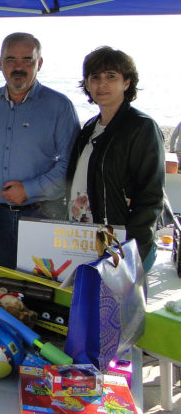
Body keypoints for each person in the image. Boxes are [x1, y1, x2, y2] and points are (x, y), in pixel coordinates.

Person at [0, 33, 80, 269]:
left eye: (27, 59)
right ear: (0, 63)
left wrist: (29, 189)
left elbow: (71, 164)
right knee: (3, 288)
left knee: (41, 290)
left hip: (43, 214)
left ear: (39, 63)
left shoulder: (60, 106)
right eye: (11, 59)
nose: (18, 67)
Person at [66, 46, 164, 272]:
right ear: (87, 84)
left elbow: (151, 198)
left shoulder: (141, 127)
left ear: (127, 82)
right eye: (95, 77)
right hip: (85, 238)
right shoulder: (90, 127)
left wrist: (129, 250)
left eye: (111, 76)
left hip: (121, 247)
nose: (102, 84)